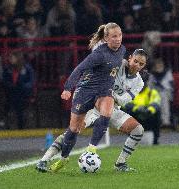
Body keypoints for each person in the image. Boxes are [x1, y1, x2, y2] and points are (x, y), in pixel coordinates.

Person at [36, 49, 147, 172]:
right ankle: (44, 160)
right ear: (130, 58)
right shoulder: (117, 64)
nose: (136, 65)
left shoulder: (139, 82)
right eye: (135, 61)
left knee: (138, 130)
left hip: (112, 108)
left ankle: (120, 164)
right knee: (72, 132)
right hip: (93, 105)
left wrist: (109, 93)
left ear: (144, 66)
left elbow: (124, 100)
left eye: (141, 64)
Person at [36, 23, 125, 172]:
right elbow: (79, 69)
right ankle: (63, 158)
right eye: (114, 36)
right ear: (106, 38)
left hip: (103, 92)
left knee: (107, 111)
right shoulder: (99, 54)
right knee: (74, 129)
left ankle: (91, 149)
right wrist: (67, 88)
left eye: (120, 35)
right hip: (85, 91)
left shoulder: (122, 50)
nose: (118, 39)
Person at [2, 51, 35, 129]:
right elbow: (4, 81)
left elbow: (31, 81)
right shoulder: (8, 69)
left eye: (12, 58)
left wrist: (24, 86)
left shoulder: (27, 68)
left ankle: (22, 125)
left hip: (24, 93)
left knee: (21, 104)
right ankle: (9, 124)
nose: (10, 59)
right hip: (11, 92)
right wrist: (10, 85)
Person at [123, 79, 161, 144]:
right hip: (135, 116)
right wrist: (137, 109)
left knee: (157, 112)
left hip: (148, 117)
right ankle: (131, 140)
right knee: (126, 112)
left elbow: (156, 103)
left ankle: (155, 140)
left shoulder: (151, 92)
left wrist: (148, 110)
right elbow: (125, 104)